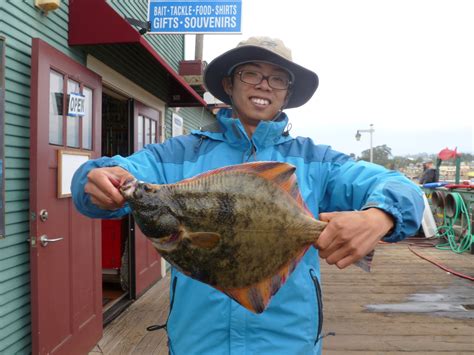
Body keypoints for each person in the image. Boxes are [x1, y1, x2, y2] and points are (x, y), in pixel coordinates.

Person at [72, 37, 424, 354]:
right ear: (228, 83)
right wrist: (93, 179)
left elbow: (403, 188)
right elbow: (115, 178)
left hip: (288, 343)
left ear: (287, 92)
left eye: (277, 78)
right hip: (198, 343)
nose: (264, 86)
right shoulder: (177, 155)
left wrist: (379, 216)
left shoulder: (317, 160)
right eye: (251, 74)